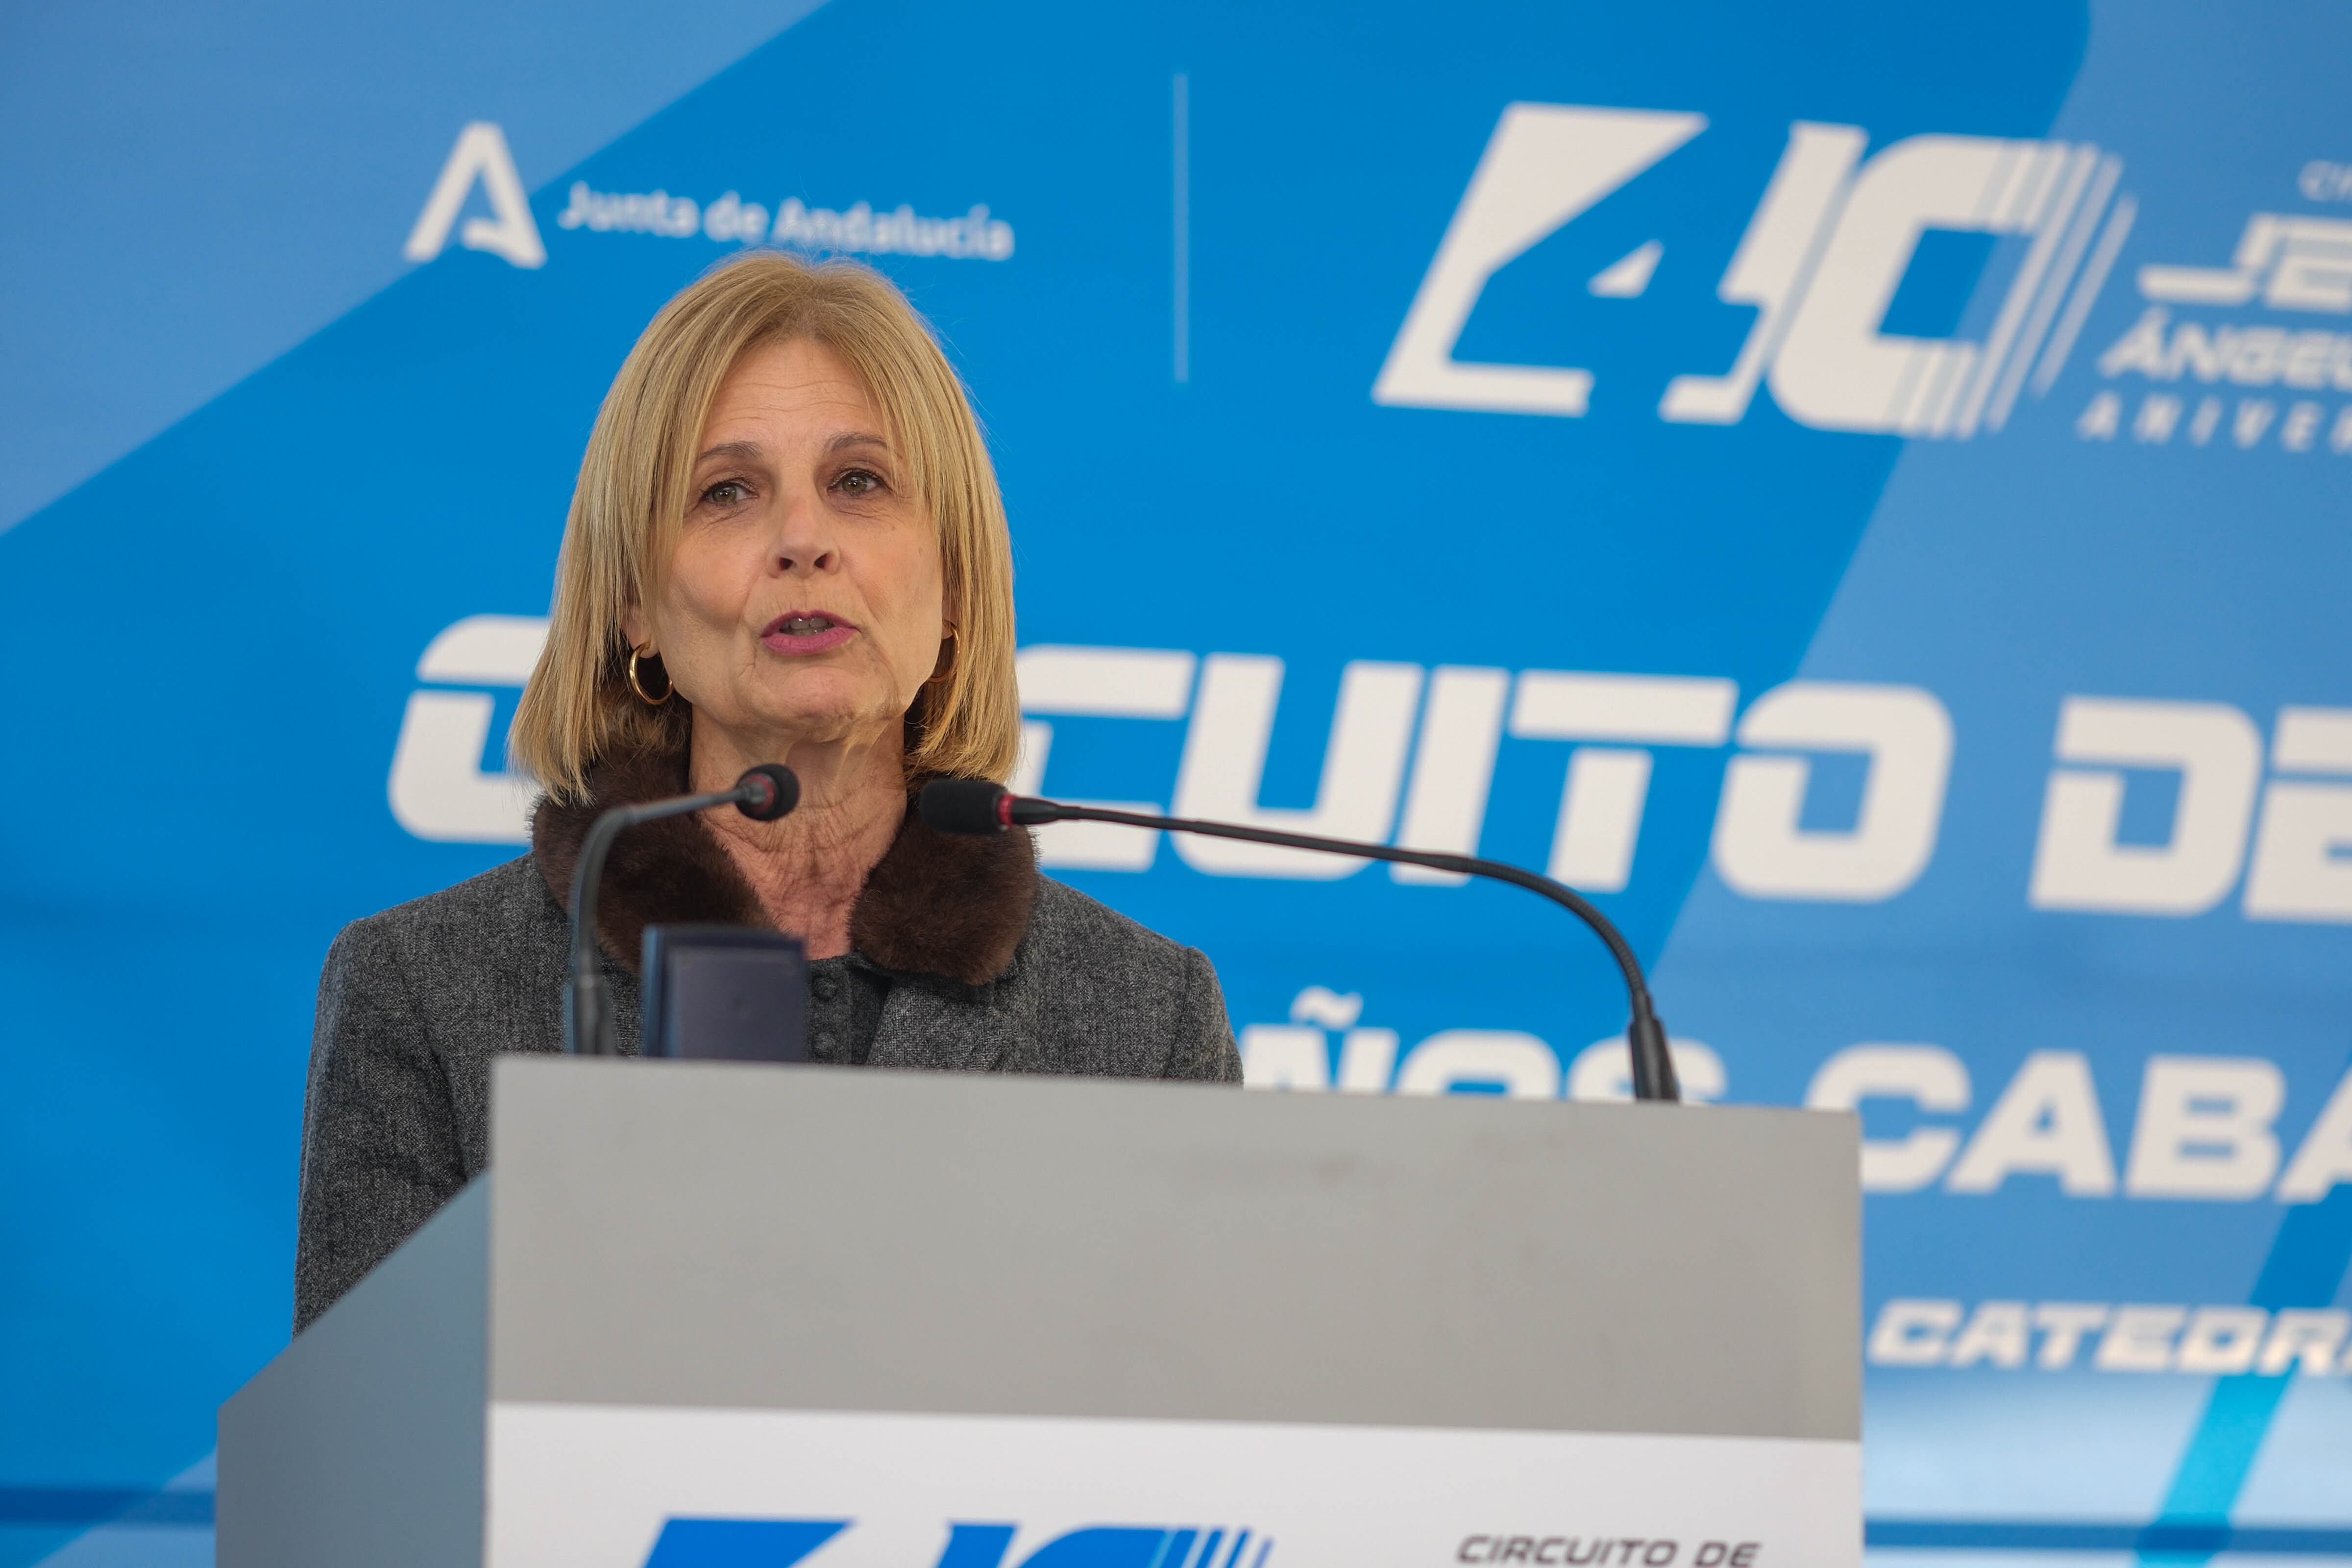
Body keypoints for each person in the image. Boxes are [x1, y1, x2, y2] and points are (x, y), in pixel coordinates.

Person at [294, 252, 1241, 1333]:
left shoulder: (1146, 1015)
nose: (804, 541)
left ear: (953, 590)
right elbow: (367, 1471)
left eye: (860, 483)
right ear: (635, 608)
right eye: (728, 493)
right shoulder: (423, 988)